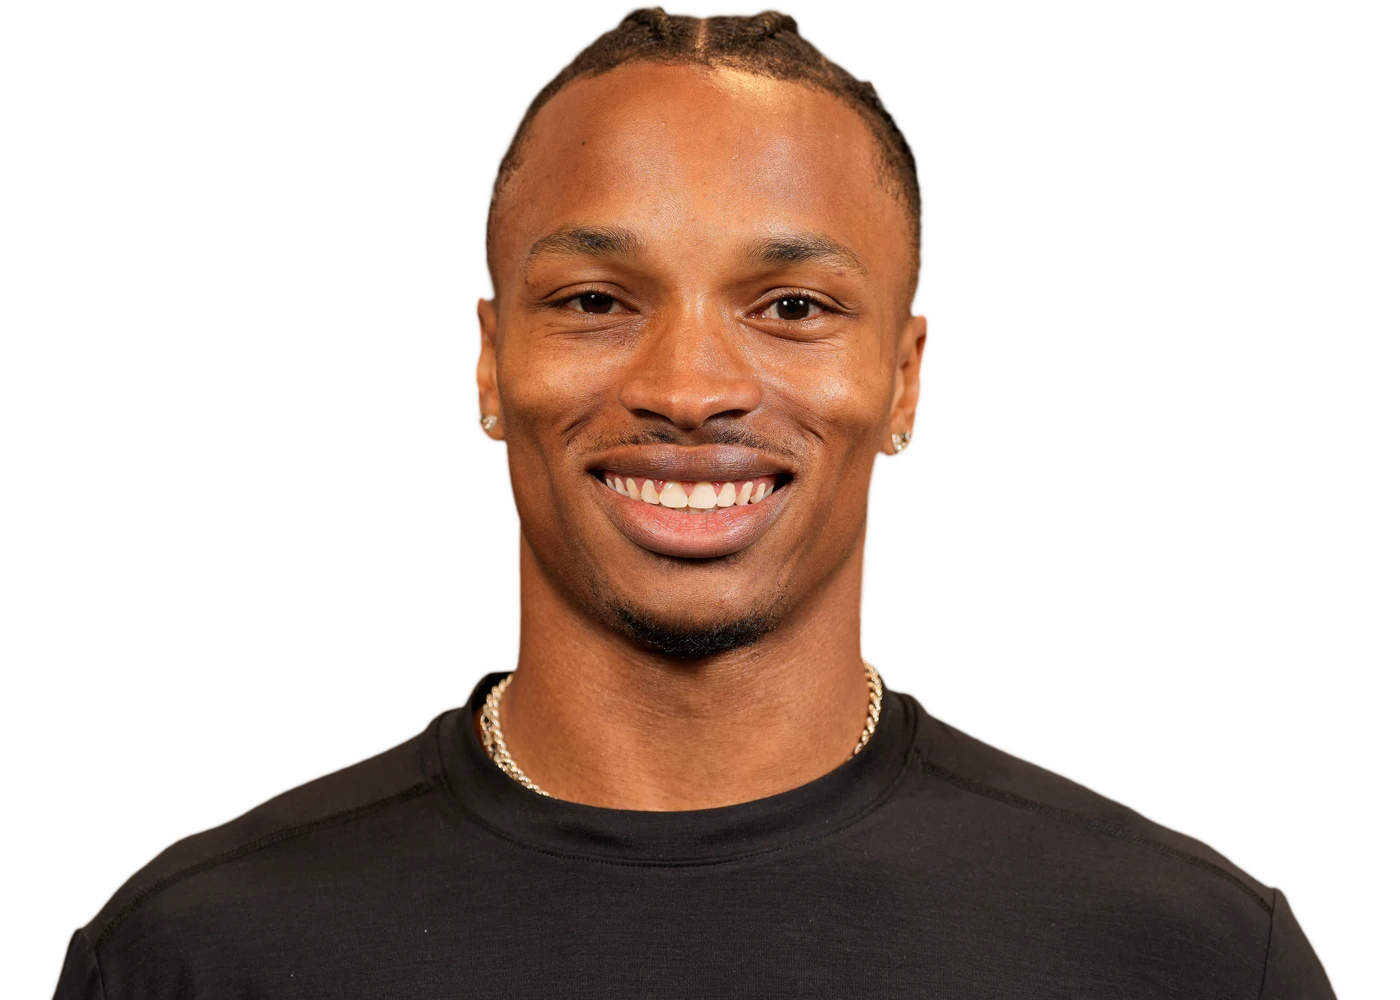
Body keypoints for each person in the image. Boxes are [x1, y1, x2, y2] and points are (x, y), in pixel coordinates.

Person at [51, 5, 1340, 997]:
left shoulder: (1190, 960)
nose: (689, 387)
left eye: (792, 307)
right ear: (490, 365)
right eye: (595, 301)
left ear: (903, 379)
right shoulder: (195, 956)